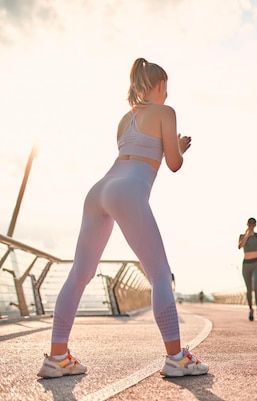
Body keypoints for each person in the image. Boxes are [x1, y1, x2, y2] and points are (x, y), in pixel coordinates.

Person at [37, 58, 208, 379]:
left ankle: (57, 357)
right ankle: (176, 358)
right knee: (159, 275)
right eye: (166, 88)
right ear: (158, 86)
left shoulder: (124, 120)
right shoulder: (165, 113)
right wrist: (181, 147)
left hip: (99, 190)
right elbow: (173, 163)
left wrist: (170, 148)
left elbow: (137, 152)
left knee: (79, 274)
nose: (168, 95)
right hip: (128, 191)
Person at [238, 217, 257, 321]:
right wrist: (247, 235)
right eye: (249, 223)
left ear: (255, 224)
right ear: (247, 224)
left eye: (253, 223)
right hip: (246, 264)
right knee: (249, 289)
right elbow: (240, 246)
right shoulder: (242, 236)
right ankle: (251, 309)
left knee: (256, 286)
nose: (251, 224)